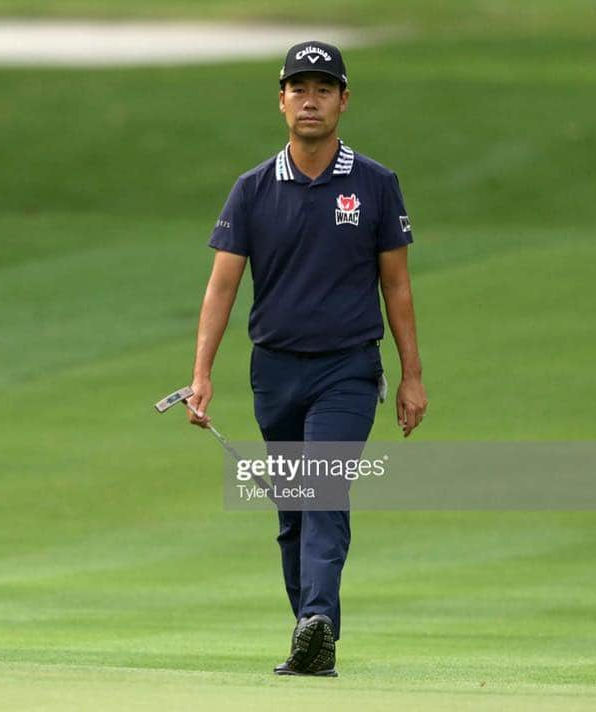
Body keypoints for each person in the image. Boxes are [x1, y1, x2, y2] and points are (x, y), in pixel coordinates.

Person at [187, 40, 428, 677]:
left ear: (344, 101)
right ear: (282, 100)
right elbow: (222, 286)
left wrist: (412, 375)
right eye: (300, 88)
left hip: (348, 366)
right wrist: (202, 374)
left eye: (324, 89)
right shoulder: (253, 189)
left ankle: (318, 617)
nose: (311, 99)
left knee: (322, 489)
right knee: (293, 507)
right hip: (274, 370)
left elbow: (396, 285)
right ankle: (310, 635)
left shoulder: (375, 184)